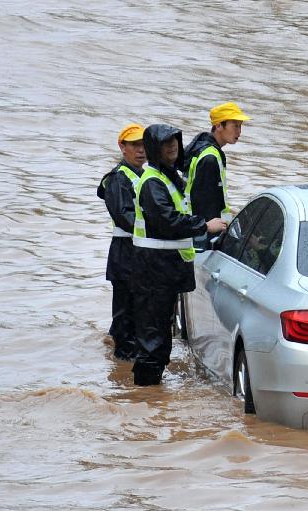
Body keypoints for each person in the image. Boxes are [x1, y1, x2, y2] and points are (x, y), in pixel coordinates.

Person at [131, 124, 227, 385]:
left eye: (175, 141)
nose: (172, 146)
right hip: (153, 268)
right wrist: (204, 226)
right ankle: (146, 400)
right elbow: (169, 221)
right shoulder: (152, 182)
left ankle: (149, 398)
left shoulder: (168, 178)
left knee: (160, 333)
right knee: (153, 338)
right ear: (154, 149)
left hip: (165, 267)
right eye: (165, 143)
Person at [97, 123, 146, 361]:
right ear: (122, 147)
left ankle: (121, 353)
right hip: (125, 252)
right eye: (135, 145)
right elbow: (125, 218)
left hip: (139, 250)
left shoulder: (144, 175)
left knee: (134, 311)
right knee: (126, 311)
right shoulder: (118, 179)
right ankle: (123, 374)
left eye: (144, 144)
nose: (141, 150)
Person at [181, 101, 251, 223]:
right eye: (235, 126)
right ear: (219, 126)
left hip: (195, 225)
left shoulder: (202, 148)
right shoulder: (210, 158)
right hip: (204, 230)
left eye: (240, 126)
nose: (239, 132)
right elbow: (208, 203)